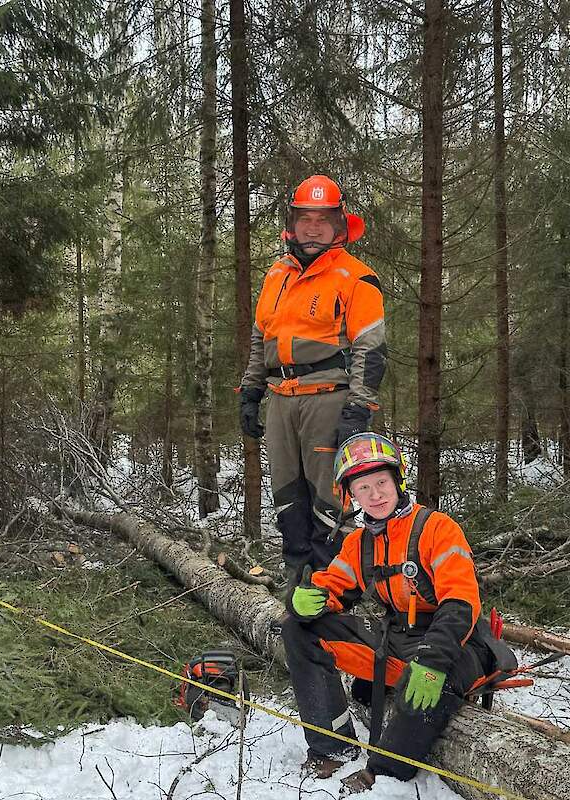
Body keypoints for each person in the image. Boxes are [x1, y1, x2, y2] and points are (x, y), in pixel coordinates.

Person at [281, 432, 516, 793]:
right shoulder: (359, 544)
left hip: (457, 642)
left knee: (434, 675)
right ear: (350, 495)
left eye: (381, 483)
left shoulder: (437, 528)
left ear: (397, 481)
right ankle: (332, 746)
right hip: (397, 637)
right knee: (299, 631)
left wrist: (433, 660)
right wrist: (303, 600)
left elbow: (461, 603)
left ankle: (384, 773)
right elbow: (333, 585)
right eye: (363, 488)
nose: (374, 495)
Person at [239, 175, 386, 581]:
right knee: (288, 499)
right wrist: (250, 392)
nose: (313, 227)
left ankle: (331, 592)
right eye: (305, 217)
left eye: (323, 218)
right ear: (293, 221)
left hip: (328, 399)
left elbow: (370, 351)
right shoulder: (277, 275)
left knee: (329, 501)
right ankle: (296, 586)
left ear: (339, 223)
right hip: (280, 399)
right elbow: (259, 338)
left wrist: (357, 411)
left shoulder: (356, 278)